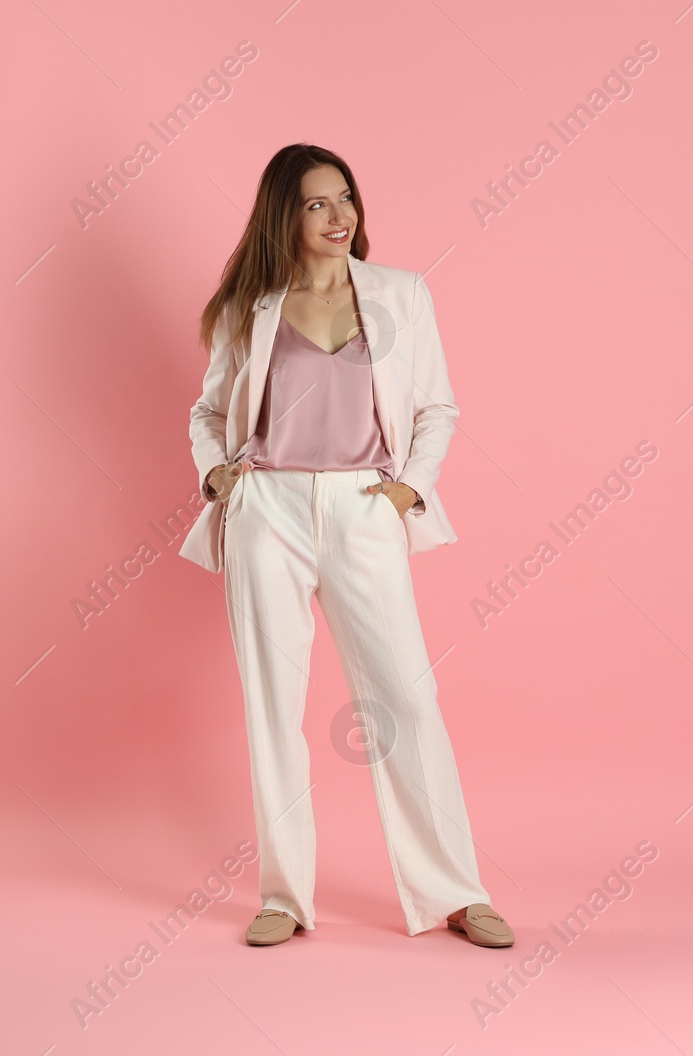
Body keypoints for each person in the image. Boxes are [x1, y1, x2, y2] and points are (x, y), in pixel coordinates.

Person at [178, 143, 512, 949]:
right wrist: (219, 479)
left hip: (364, 507)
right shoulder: (246, 305)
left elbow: (437, 406)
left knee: (405, 700)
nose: (339, 217)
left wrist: (408, 486)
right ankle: (283, 895)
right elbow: (208, 411)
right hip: (270, 509)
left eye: (346, 199)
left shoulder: (399, 293)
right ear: (283, 216)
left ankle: (455, 890)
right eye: (316, 204)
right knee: (273, 709)